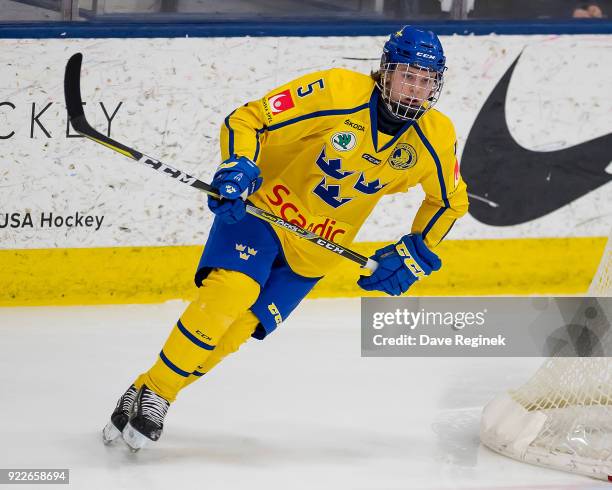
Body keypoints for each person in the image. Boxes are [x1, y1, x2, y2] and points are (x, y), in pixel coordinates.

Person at [102, 25, 469, 451]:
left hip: (315, 250)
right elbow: (250, 118)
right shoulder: (336, 92)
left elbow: (448, 201)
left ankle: (146, 388)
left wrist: (413, 252)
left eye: (426, 81)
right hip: (263, 208)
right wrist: (238, 166)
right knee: (232, 291)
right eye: (408, 75)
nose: (415, 89)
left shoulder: (435, 136)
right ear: (385, 72)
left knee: (239, 329)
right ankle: (160, 395)